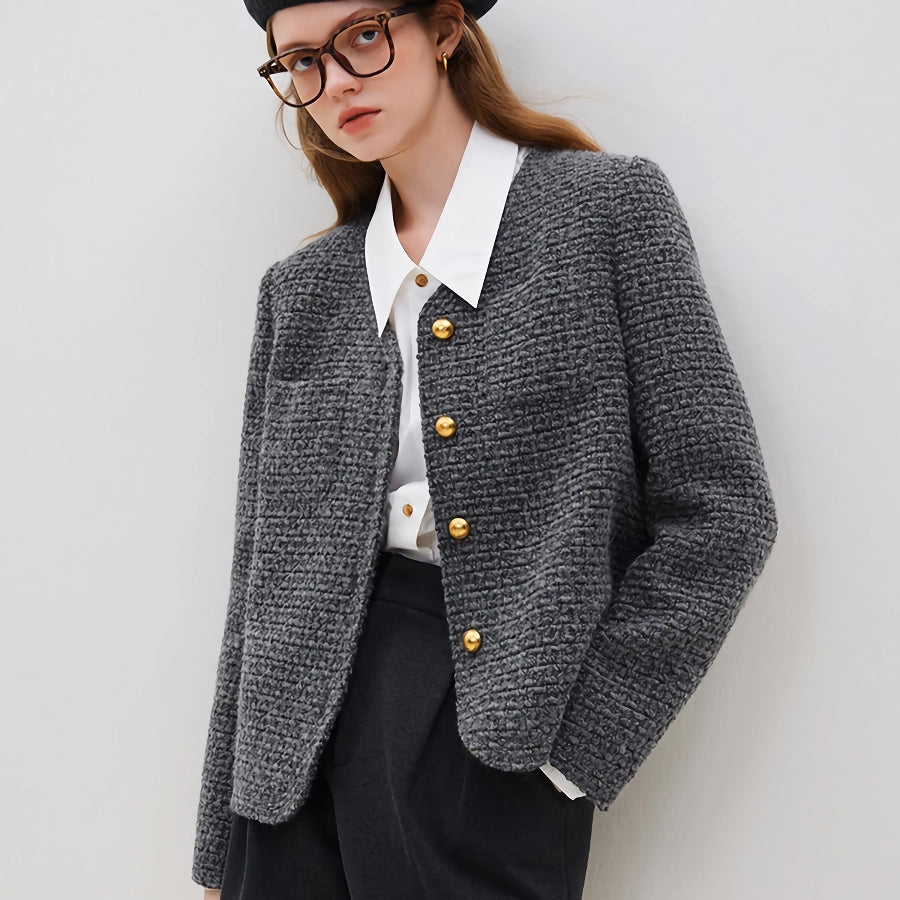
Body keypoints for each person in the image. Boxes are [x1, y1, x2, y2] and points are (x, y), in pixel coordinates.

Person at [192, 1, 779, 897]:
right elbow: (259, 574)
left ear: (444, 29)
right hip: (285, 763)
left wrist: (575, 754)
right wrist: (219, 848)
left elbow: (723, 512)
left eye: (362, 36)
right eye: (301, 61)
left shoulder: (603, 212)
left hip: (489, 739)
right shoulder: (301, 291)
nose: (335, 82)